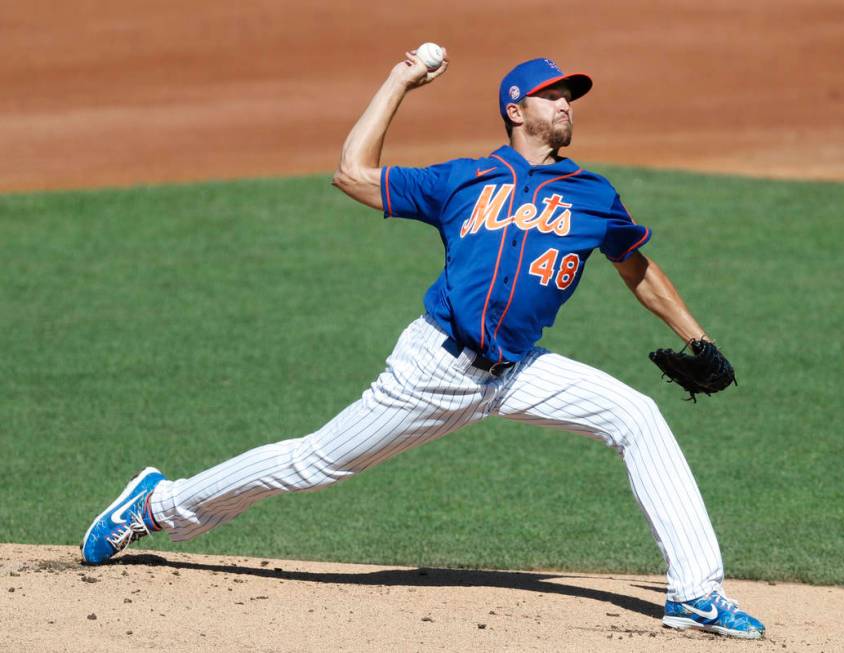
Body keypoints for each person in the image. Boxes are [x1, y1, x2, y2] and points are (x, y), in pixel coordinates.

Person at [80, 50, 765, 640]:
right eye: (552, 94)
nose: (566, 105)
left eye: (570, 96)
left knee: (637, 416)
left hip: (519, 370)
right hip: (434, 371)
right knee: (313, 462)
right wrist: (400, 81)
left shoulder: (592, 194)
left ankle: (695, 592)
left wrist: (697, 336)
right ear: (515, 108)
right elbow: (351, 172)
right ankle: (154, 504)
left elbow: (635, 266)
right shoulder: (462, 178)